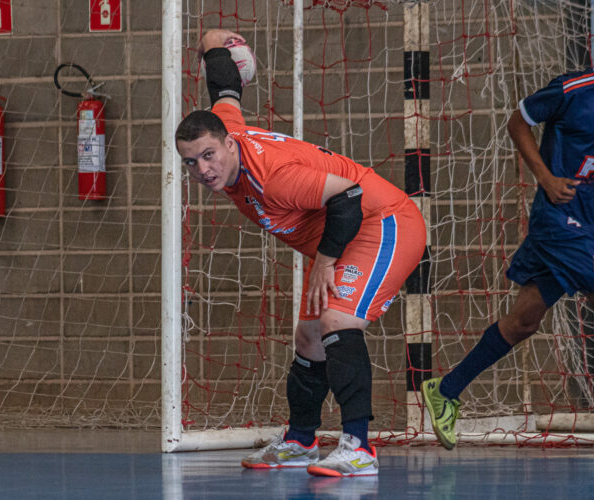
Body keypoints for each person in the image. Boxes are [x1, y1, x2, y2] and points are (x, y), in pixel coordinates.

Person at [175, 29, 426, 477]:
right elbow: (224, 88)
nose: (203, 169)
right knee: (309, 337)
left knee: (335, 321)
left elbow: (348, 197)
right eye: (191, 162)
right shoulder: (225, 130)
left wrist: (324, 263)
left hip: (383, 222)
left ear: (229, 145)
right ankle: (300, 441)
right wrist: (212, 42)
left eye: (209, 156)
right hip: (342, 233)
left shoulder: (273, 178)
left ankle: (358, 449)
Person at [423, 1, 594, 456]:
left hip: (588, 213)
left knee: (524, 321)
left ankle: (446, 390)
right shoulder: (574, 88)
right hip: (558, 216)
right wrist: (545, 178)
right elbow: (519, 122)